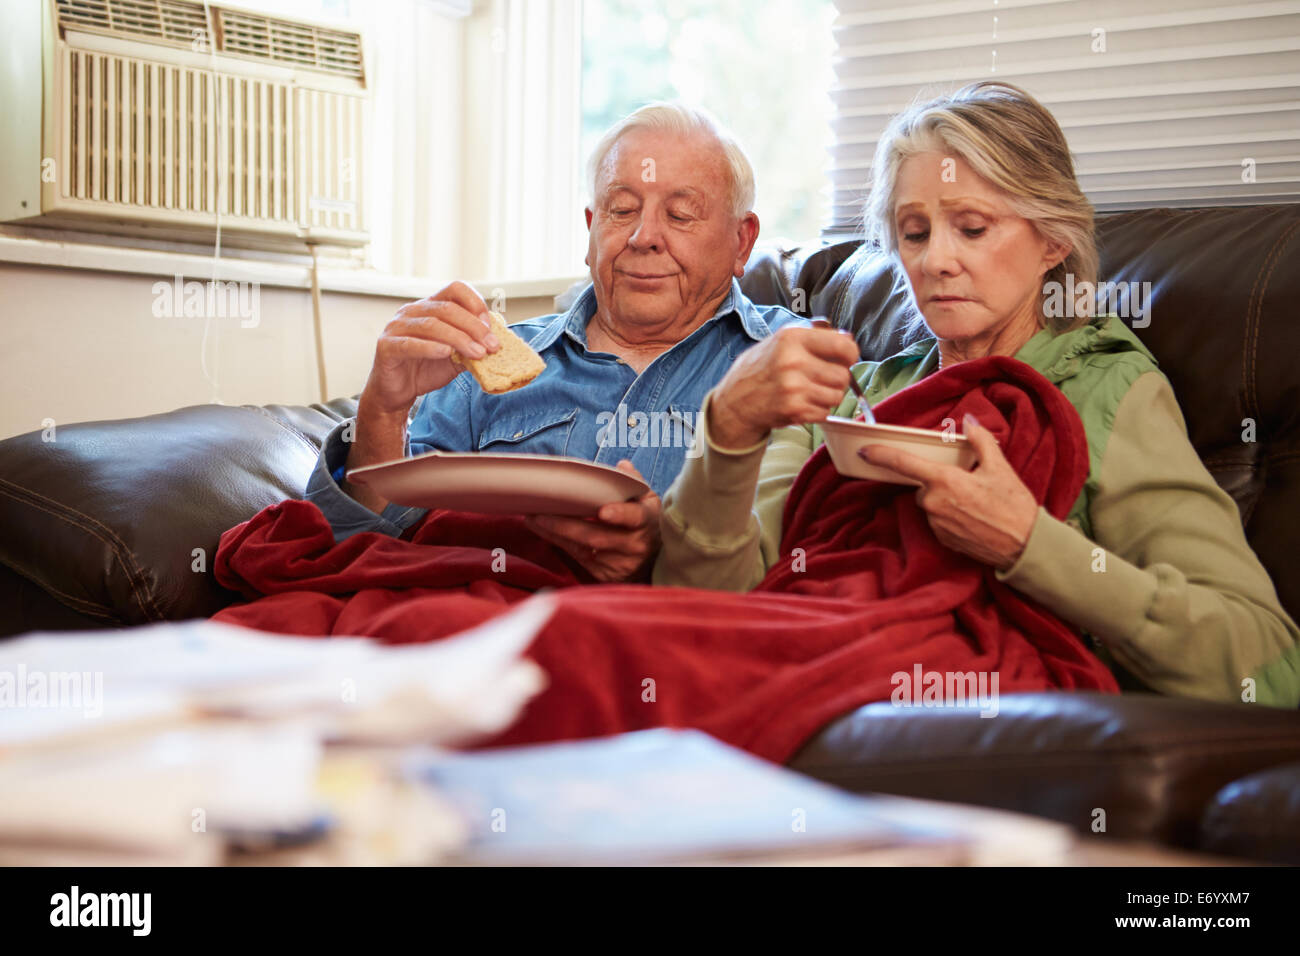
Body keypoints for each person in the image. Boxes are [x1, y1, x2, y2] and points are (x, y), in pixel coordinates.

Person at [654, 81, 1300, 707]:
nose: (936, 261)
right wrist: (730, 426)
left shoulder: (1103, 390)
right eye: (914, 232)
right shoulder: (842, 398)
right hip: (798, 668)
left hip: (955, 711)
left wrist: (1027, 543)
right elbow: (704, 608)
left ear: (1052, 240)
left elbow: (1261, 663)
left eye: (971, 228)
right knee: (585, 632)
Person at [303, 102, 801, 583]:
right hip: (476, 629)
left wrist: (667, 549)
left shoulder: (788, 360)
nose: (643, 236)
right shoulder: (483, 359)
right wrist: (384, 412)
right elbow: (360, 545)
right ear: (591, 230)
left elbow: (803, 560)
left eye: (681, 214)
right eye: (622, 209)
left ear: (742, 241)